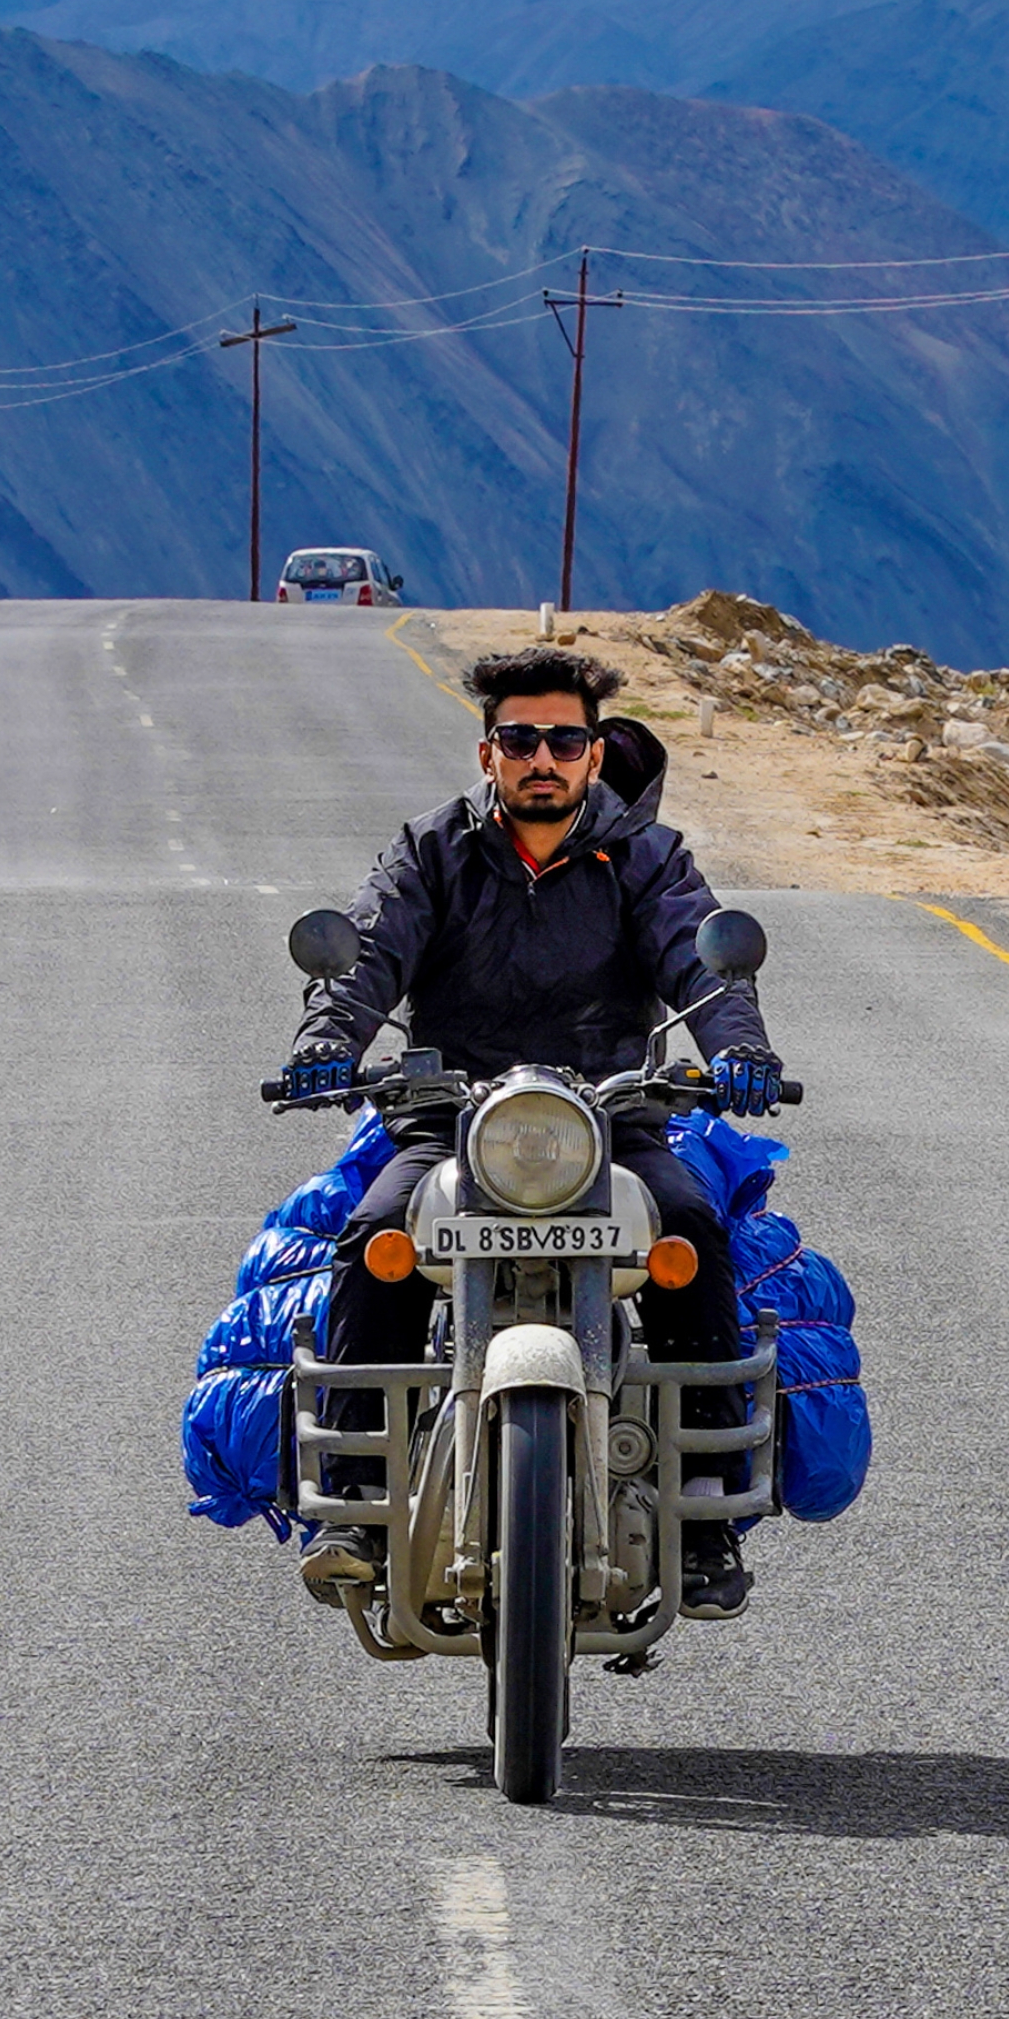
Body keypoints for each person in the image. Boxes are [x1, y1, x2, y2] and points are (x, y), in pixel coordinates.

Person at [274, 644, 785, 1614]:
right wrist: (325, 1044)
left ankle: (708, 1516)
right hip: (450, 1121)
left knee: (689, 1235)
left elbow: (702, 956)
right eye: (520, 739)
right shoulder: (430, 851)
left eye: (562, 739)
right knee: (373, 1239)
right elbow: (366, 952)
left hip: (612, 1118)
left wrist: (739, 1050)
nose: (541, 757)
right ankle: (352, 1503)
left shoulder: (647, 858)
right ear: (487, 752)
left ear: (594, 755)